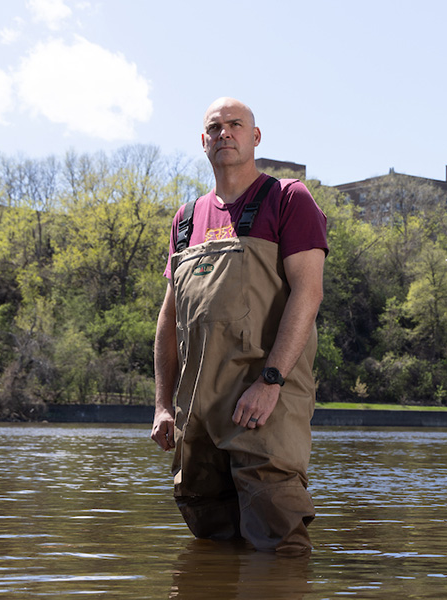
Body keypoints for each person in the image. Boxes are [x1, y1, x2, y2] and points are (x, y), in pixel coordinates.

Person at [151, 97, 328, 553]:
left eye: (235, 125)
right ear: (203, 142)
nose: (224, 133)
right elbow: (169, 315)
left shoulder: (288, 198)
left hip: (265, 403)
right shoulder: (185, 219)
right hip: (198, 414)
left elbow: (308, 294)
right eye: (214, 127)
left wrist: (270, 382)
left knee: (279, 542)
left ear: (255, 137)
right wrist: (163, 405)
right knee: (211, 546)